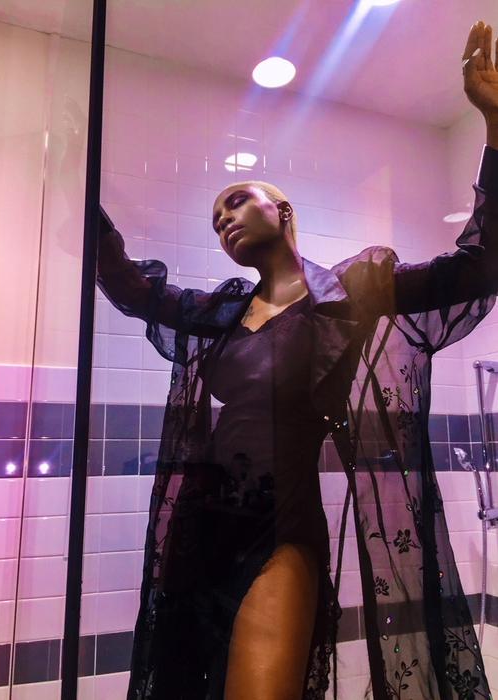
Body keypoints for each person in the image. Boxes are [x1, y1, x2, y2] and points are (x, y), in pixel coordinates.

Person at [96, 20, 498, 700]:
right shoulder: (221, 313)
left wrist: (493, 124)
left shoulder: (351, 294)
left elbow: (479, 264)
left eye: (235, 202)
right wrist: (82, 199)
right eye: (214, 218)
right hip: (199, 534)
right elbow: (133, 289)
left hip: (281, 530)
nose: (223, 220)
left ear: (282, 210)